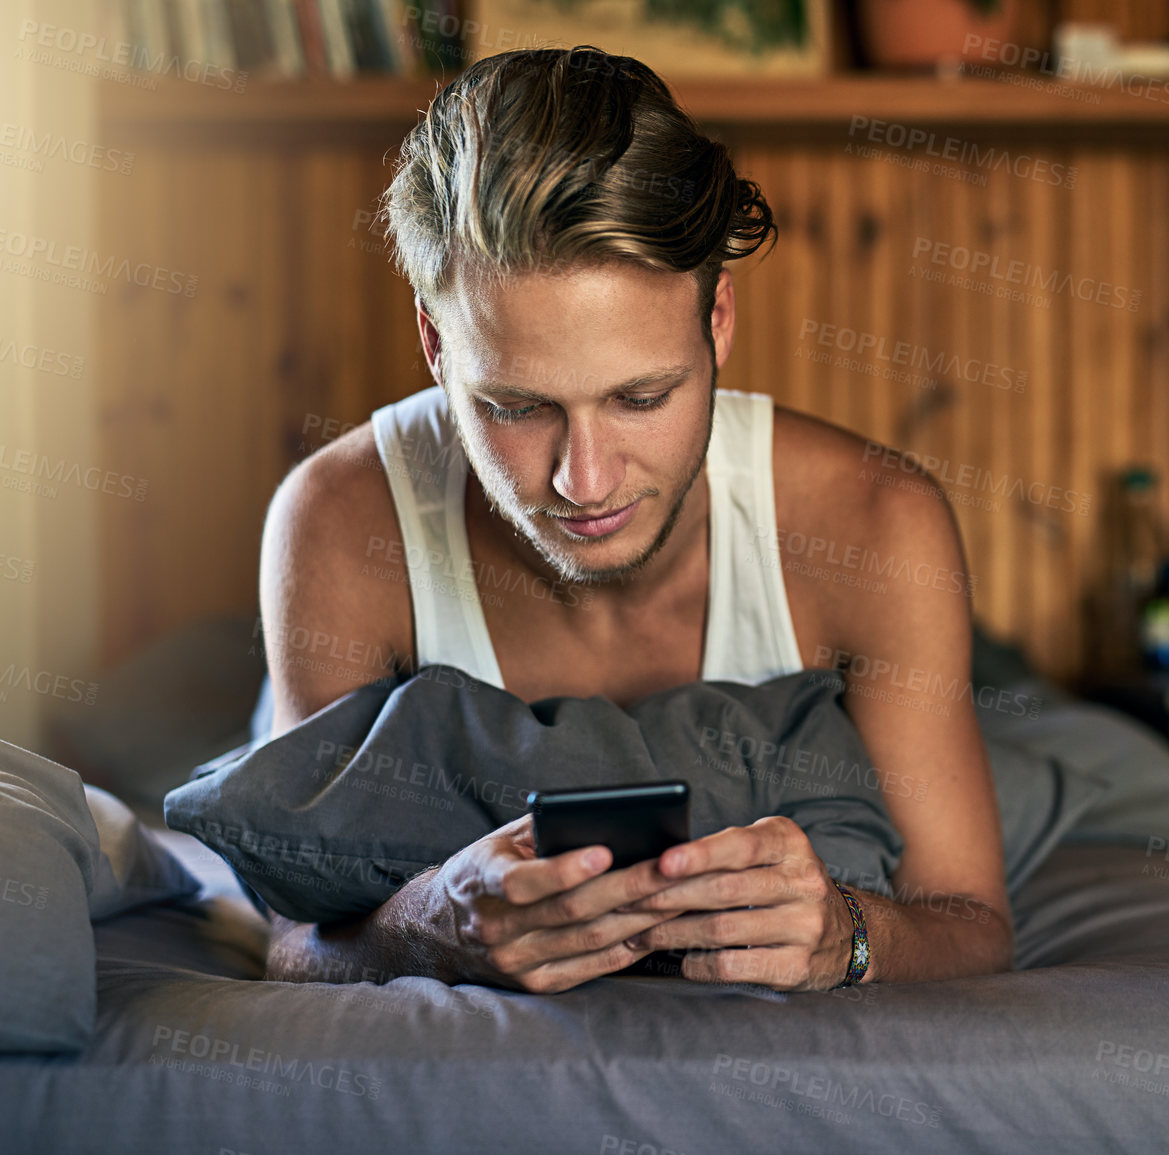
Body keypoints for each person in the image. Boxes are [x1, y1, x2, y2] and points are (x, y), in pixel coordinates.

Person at [259, 47, 1010, 995]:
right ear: (434, 344)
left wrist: (847, 933)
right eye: (517, 406)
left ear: (719, 319)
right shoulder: (338, 519)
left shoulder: (874, 525)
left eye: (640, 396)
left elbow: (974, 925)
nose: (584, 480)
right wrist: (427, 928)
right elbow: (290, 943)